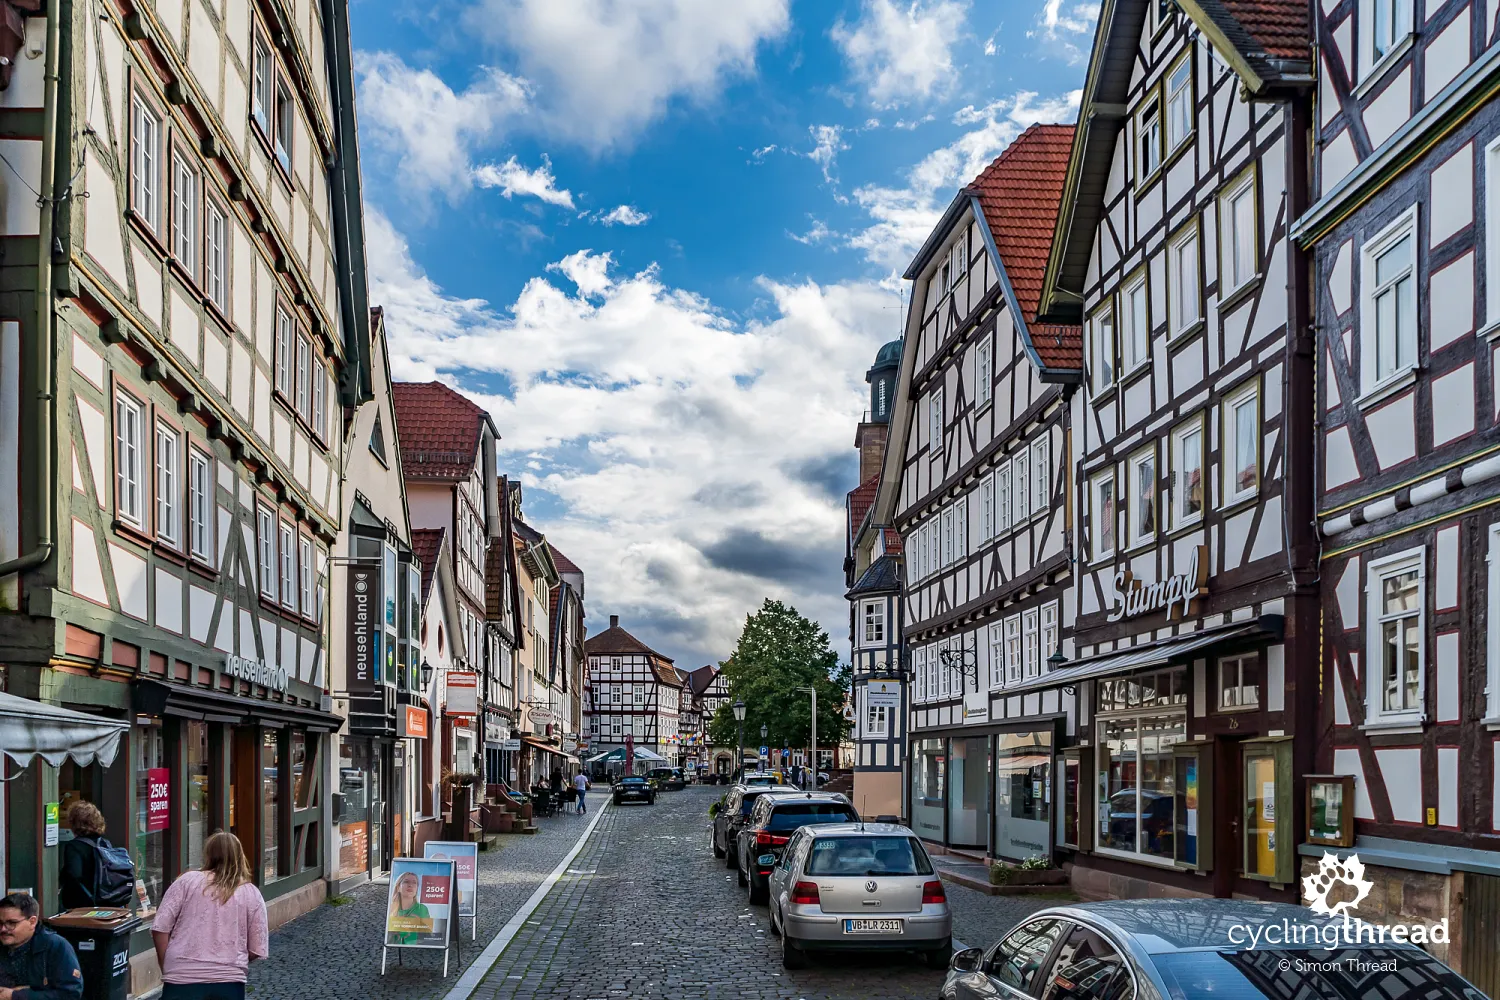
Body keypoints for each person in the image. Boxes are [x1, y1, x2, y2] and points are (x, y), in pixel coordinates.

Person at [152, 831, 268, 1000]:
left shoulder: (187, 881)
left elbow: (159, 928)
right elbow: (257, 947)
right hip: (229, 982)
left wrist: (167, 965)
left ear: (208, 854)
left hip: (181, 978)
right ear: (240, 855)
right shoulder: (251, 893)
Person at [0, 893, 83, 1000]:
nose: (3, 929)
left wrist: (15, 995)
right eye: (0, 923)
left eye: (11, 923)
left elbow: (70, 994)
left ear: (32, 922)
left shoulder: (55, 946)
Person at [58, 802, 108, 910]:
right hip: (105, 899)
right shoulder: (104, 843)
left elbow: (74, 874)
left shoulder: (74, 846)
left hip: (82, 904)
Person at [385, 873, 429, 946]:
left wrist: (421, 925)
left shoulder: (422, 909)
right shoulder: (391, 908)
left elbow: (429, 937)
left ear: (417, 888)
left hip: (416, 951)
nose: (410, 885)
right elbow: (387, 939)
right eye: (406, 882)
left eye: (414, 883)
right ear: (398, 887)